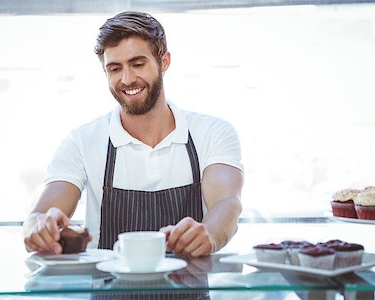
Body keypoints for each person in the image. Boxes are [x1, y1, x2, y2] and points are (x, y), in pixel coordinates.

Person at [23, 11, 244, 258]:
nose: (127, 79)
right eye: (115, 68)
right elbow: (39, 214)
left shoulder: (212, 132)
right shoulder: (81, 142)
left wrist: (210, 234)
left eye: (138, 64)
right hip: (108, 293)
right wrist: (38, 227)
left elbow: (227, 202)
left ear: (164, 62)